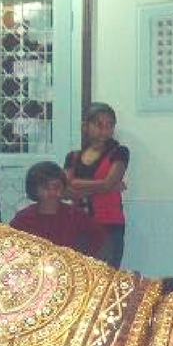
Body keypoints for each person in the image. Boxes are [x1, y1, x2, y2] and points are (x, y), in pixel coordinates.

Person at [65, 102, 129, 268]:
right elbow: (64, 190)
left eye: (110, 125)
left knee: (105, 278)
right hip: (77, 224)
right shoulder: (73, 157)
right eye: (99, 125)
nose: (104, 130)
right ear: (85, 126)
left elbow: (108, 184)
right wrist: (103, 187)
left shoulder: (119, 152)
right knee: (80, 276)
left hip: (109, 226)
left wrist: (76, 185)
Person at [10, 161, 106, 257]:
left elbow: (98, 236)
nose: (52, 192)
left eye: (56, 187)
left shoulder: (75, 215)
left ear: (63, 188)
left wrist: (83, 258)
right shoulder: (23, 218)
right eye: (45, 187)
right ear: (34, 189)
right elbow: (10, 244)